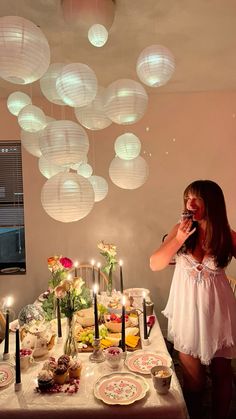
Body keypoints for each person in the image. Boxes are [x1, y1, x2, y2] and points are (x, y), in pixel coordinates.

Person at [150, 180, 236, 419]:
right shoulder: (181, 229)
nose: (190, 203)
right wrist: (178, 238)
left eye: (196, 198)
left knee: (222, 374)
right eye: (187, 198)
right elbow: (155, 264)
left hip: (218, 311)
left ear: (212, 202)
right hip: (187, 311)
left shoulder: (225, 235)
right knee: (192, 379)